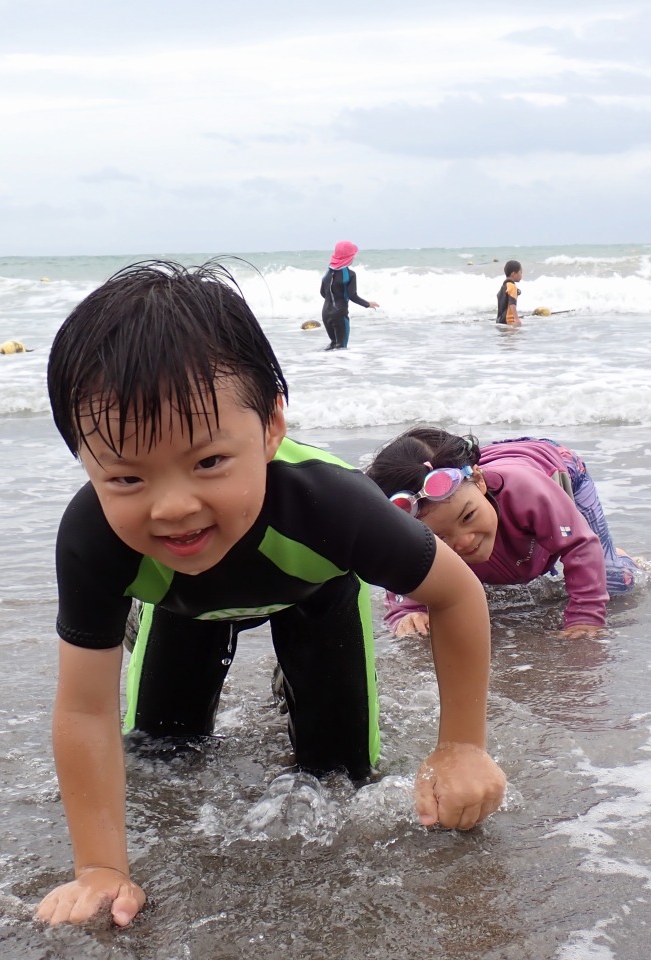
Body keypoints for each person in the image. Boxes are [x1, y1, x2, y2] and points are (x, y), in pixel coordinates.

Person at [36, 261, 505, 927]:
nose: (173, 508)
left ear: (271, 427)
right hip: (182, 609)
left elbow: (456, 595)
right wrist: (100, 868)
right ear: (85, 462)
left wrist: (462, 745)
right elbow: (85, 710)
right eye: (126, 479)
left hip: (316, 596)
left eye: (209, 462)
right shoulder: (93, 538)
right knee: (160, 758)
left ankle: (298, 681)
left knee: (340, 780)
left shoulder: (332, 505)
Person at [364, 427, 642, 639]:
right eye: (440, 537)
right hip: (483, 474)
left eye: (468, 517)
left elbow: (579, 545)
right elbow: (401, 560)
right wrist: (407, 610)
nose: (464, 540)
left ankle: (618, 557)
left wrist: (584, 618)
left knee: (613, 580)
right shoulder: (421, 523)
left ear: (479, 481)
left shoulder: (527, 490)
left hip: (555, 468)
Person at [319, 240, 378, 350]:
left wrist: (333, 299)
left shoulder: (328, 273)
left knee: (333, 344)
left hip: (325, 314)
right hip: (340, 314)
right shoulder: (350, 274)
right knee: (341, 347)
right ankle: (340, 362)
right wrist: (367, 304)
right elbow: (352, 296)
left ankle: (324, 360)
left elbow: (323, 293)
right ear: (349, 257)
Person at [495, 260, 522, 325]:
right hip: (509, 321)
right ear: (513, 274)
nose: (521, 275)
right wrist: (516, 319)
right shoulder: (512, 286)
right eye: (520, 272)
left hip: (500, 320)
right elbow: (512, 303)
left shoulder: (504, 286)